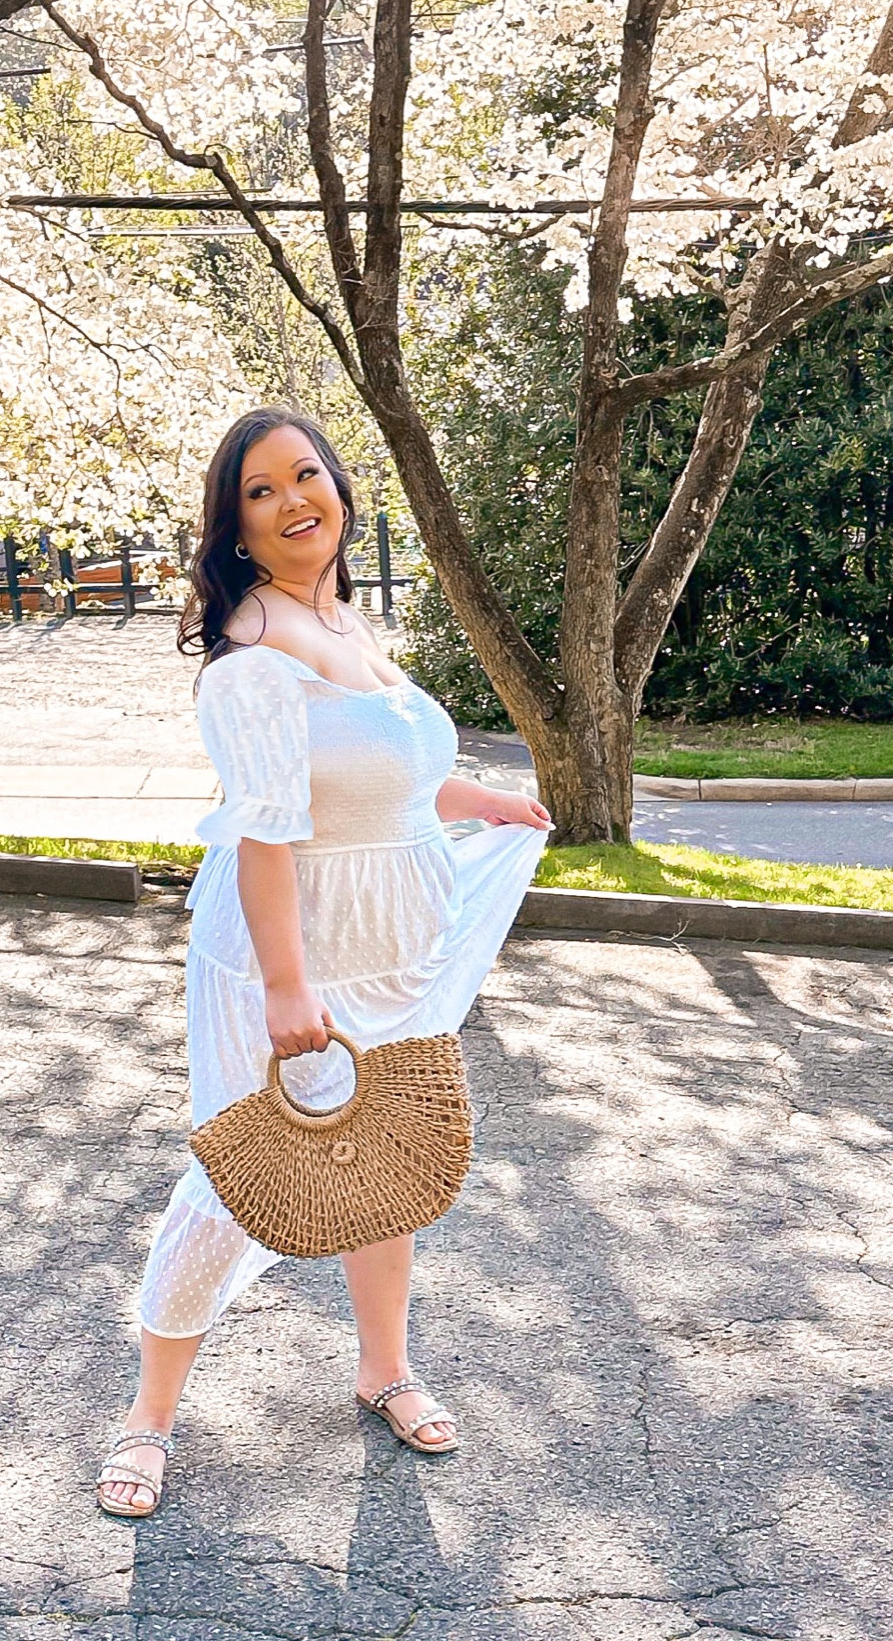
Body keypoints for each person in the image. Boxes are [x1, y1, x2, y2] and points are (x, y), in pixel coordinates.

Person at [96, 408, 551, 1519]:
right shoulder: (251, 656)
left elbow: (381, 776)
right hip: (282, 957)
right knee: (231, 1177)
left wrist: (478, 798)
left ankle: (382, 1365)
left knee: (386, 1151)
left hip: (391, 943)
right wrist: (289, 986)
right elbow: (263, 833)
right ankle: (146, 1419)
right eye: (261, 489)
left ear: (340, 489)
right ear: (235, 527)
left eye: (308, 474)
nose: (294, 497)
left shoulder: (345, 621)